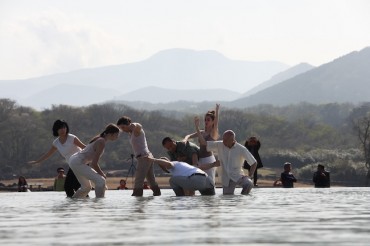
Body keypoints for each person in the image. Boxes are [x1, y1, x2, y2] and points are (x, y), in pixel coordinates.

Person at [28, 119, 86, 197]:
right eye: (60, 128)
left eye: (64, 127)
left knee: (69, 186)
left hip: (80, 162)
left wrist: (95, 151)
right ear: (56, 130)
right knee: (71, 187)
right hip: (72, 165)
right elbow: (48, 154)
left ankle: (79, 204)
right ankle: (77, 203)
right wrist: (37, 161)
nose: (63, 130)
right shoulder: (56, 143)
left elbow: (84, 147)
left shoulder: (72, 138)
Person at [196, 127, 257, 195]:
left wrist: (250, 175)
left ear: (232, 140)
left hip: (238, 175)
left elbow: (254, 163)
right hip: (226, 179)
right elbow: (203, 143)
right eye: (223, 139)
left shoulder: (241, 149)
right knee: (227, 198)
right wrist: (197, 128)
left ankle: (242, 200)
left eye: (225, 140)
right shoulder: (220, 144)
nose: (223, 141)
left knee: (249, 184)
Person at [69, 123, 120, 198]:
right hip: (77, 162)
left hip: (74, 160)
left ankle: (72, 202)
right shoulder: (101, 141)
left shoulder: (100, 138)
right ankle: (99, 204)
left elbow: (92, 163)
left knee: (86, 188)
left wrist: (99, 173)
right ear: (111, 134)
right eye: (117, 134)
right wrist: (102, 174)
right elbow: (94, 163)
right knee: (101, 180)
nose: (117, 137)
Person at [117, 116, 161, 197]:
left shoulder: (136, 130)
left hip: (144, 157)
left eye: (123, 127)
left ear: (128, 124)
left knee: (138, 180)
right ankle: (157, 194)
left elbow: (139, 126)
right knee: (151, 180)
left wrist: (133, 124)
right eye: (121, 128)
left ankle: (137, 197)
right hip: (146, 156)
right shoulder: (131, 132)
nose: (123, 130)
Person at [184, 104, 220, 185]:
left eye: (208, 120)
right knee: (201, 181)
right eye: (205, 120)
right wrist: (185, 140)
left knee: (210, 181)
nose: (206, 121)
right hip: (200, 159)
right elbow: (189, 135)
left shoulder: (213, 132)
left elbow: (204, 142)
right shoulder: (202, 132)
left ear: (212, 121)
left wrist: (217, 110)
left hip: (209, 159)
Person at [151, 157, 219, 196]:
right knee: (209, 200)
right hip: (208, 181)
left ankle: (180, 198)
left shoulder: (173, 165)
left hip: (197, 180)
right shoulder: (183, 165)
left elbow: (168, 164)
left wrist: (153, 160)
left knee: (172, 180)